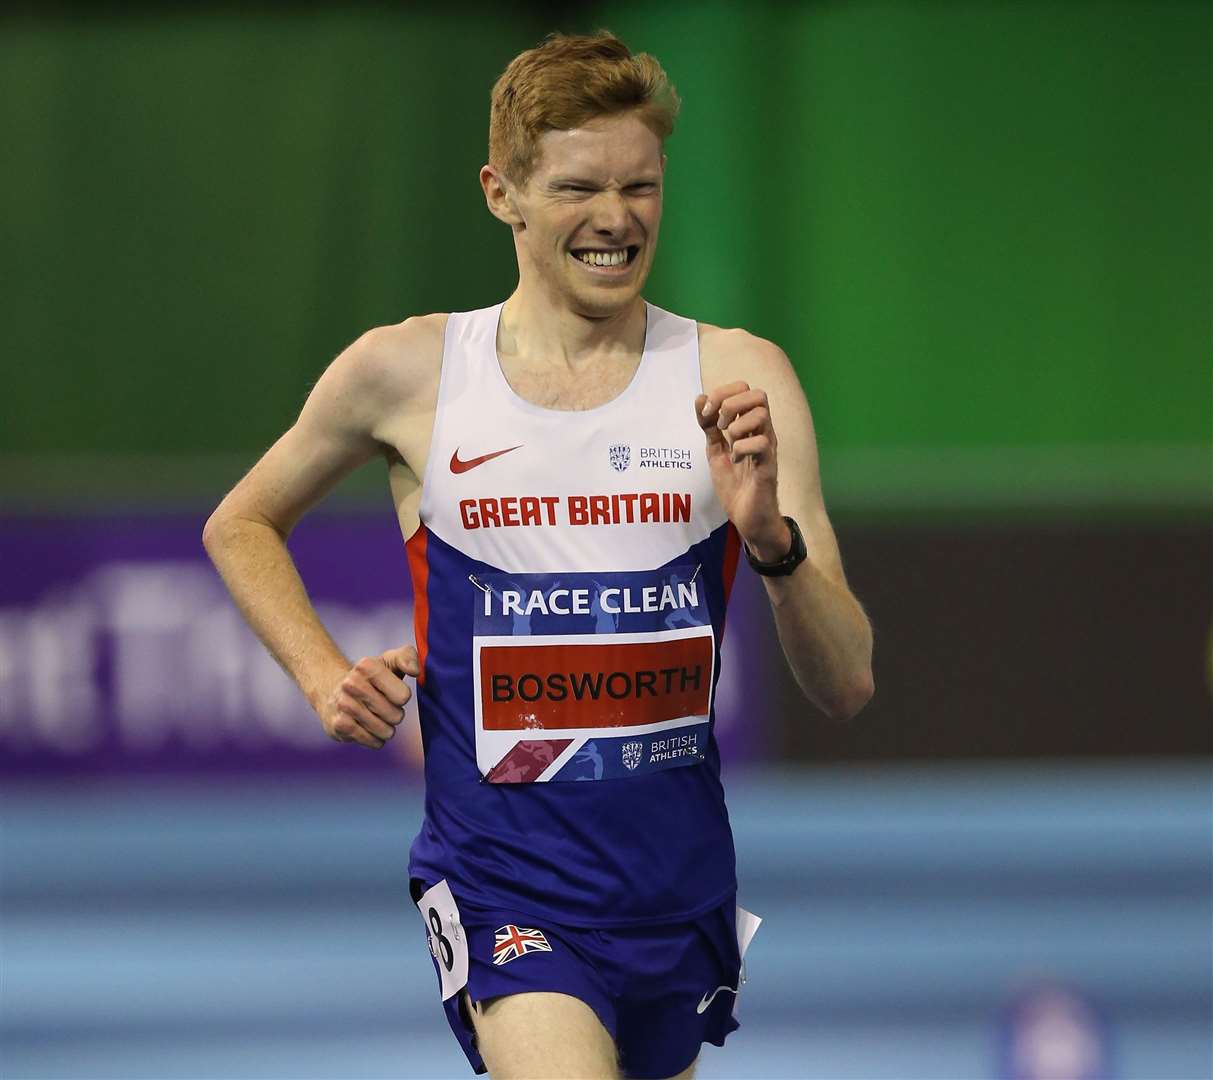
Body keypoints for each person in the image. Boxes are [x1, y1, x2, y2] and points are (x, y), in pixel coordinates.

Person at [202, 29, 873, 1080]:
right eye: (577, 188)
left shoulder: (740, 378)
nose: (615, 218)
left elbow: (844, 682)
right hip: (502, 884)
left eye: (640, 185)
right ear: (500, 191)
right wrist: (321, 673)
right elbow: (240, 523)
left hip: (677, 891)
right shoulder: (409, 372)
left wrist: (770, 542)